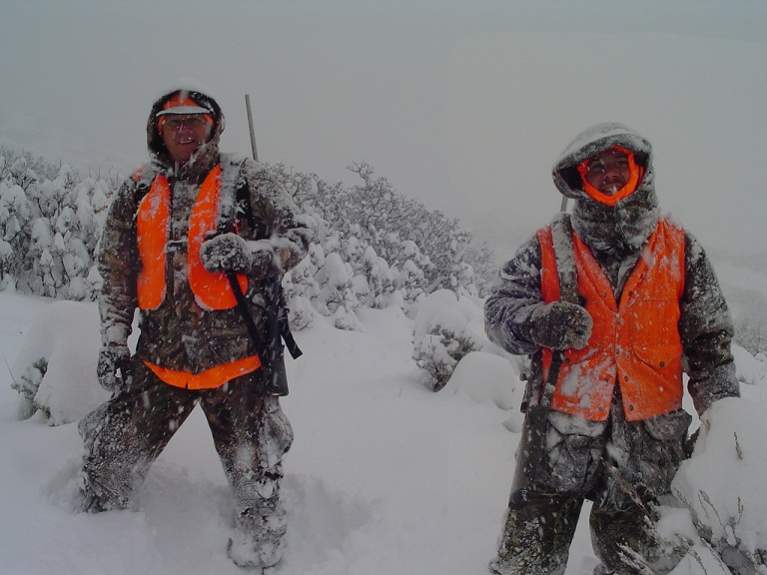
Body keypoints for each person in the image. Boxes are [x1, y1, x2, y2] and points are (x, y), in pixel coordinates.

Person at [484, 122, 739, 575]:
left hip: (649, 450)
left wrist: (725, 426)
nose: (608, 174)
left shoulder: (681, 250)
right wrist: (540, 322)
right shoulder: (549, 244)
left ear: (640, 168)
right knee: (524, 566)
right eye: (595, 167)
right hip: (555, 441)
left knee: (646, 566)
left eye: (618, 163)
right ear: (579, 179)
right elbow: (498, 312)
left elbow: (710, 346)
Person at [77, 86, 309, 570]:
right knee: (105, 476)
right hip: (159, 367)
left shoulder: (247, 180)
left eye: (195, 120)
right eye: (171, 121)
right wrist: (114, 340)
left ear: (213, 126)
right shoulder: (138, 187)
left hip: (238, 368)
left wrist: (251, 254)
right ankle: (88, 547)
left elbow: (300, 238)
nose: (184, 129)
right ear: (157, 129)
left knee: (258, 496)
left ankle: (264, 551)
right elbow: (116, 272)